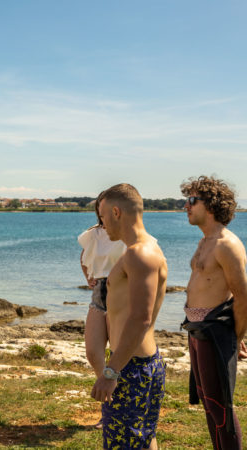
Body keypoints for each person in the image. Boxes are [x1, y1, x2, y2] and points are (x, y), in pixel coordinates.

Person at [90, 183, 167, 450]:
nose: (101, 223)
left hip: (131, 368)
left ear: (116, 212)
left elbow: (140, 319)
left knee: (124, 443)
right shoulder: (137, 251)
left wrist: (111, 373)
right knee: (144, 440)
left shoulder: (140, 254)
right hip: (137, 363)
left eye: (102, 216)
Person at [180, 175, 247, 449]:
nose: (186, 206)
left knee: (221, 408)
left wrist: (236, 336)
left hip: (215, 331)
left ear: (211, 205)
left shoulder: (226, 244)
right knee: (207, 403)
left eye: (192, 200)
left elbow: (243, 296)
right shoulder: (205, 241)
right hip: (197, 329)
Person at [78, 192, 126, 378]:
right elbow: (84, 257)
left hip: (121, 290)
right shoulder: (94, 233)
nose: (101, 213)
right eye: (100, 209)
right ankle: (104, 380)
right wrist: (88, 277)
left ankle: (115, 384)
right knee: (92, 350)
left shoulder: (129, 233)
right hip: (100, 288)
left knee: (117, 347)